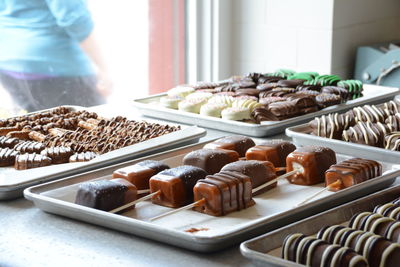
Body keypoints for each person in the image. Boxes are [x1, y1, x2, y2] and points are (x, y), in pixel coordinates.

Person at [0, 0, 111, 112]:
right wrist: (103, 69)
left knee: (36, 126)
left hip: (9, 64)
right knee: (97, 124)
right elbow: (75, 20)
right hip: (56, 66)